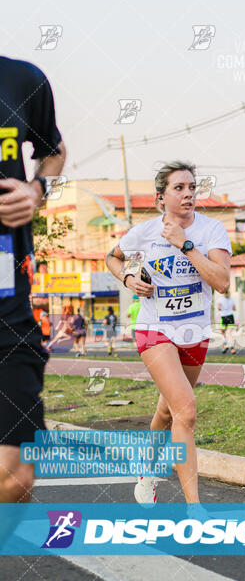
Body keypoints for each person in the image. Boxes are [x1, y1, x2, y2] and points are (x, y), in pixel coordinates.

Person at [105, 160, 231, 518]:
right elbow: (112, 258)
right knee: (186, 411)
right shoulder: (142, 233)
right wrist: (128, 279)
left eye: (192, 186)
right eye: (179, 188)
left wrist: (186, 244)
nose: (189, 193)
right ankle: (195, 507)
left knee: (167, 409)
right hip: (154, 329)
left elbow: (221, 282)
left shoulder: (211, 231)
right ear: (161, 198)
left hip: (194, 332)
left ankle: (145, 471)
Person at [0, 55, 66, 506]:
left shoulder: (23, 79)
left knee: (17, 474)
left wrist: (35, 190)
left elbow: (53, 151)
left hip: (7, 303)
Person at [216, 289, 237, 355]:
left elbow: (218, 308)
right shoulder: (232, 299)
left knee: (223, 332)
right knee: (230, 333)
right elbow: (234, 309)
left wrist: (222, 308)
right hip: (230, 317)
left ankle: (226, 344)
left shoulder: (220, 299)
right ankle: (231, 347)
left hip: (223, 317)